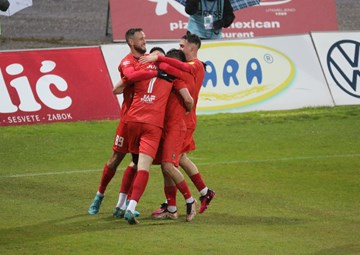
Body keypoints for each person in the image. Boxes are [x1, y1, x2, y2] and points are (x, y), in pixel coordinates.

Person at [139, 32, 215, 217]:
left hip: (182, 122)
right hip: (182, 120)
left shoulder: (193, 66)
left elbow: (187, 96)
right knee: (178, 160)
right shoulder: (190, 68)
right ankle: (197, 195)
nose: (180, 48)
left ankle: (188, 201)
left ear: (192, 47)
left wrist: (157, 58)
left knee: (169, 164)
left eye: (182, 46)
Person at [119, 47, 197, 225]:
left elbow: (189, 100)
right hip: (159, 127)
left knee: (167, 165)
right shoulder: (169, 77)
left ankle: (191, 200)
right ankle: (171, 208)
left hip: (171, 128)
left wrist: (185, 111)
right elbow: (189, 102)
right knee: (160, 166)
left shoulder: (171, 77)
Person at [87, 28, 157, 216]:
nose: (144, 41)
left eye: (145, 37)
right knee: (115, 160)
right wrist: (151, 73)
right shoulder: (127, 61)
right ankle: (99, 195)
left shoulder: (149, 59)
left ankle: (123, 205)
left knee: (136, 162)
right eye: (141, 39)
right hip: (128, 121)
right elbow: (131, 76)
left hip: (144, 120)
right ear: (131, 43)